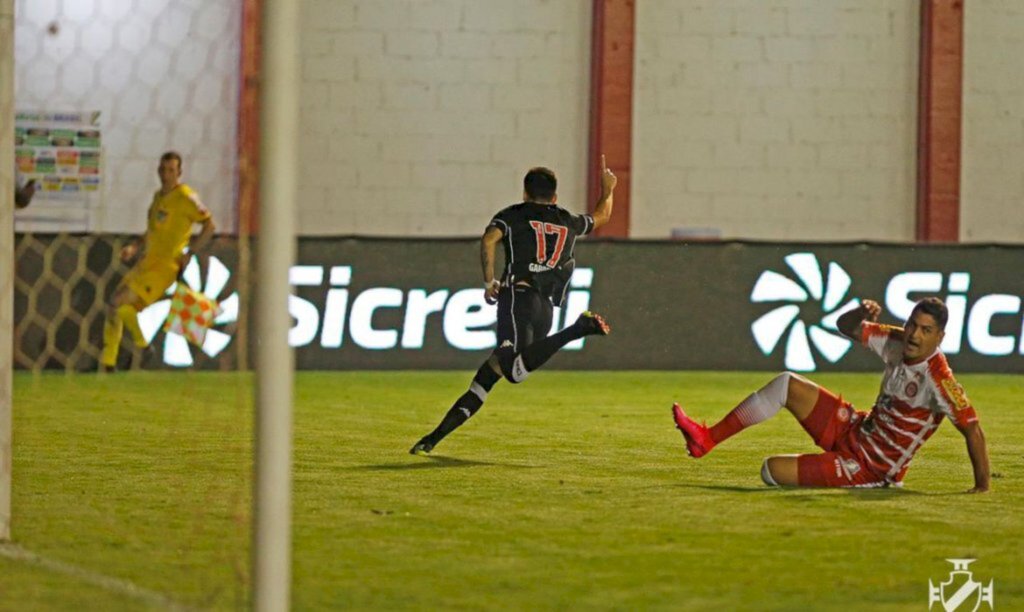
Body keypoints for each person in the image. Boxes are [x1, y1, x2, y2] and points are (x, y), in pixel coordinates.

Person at [409, 157, 619, 455]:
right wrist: (607, 189)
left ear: (525, 193)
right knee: (487, 375)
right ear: (554, 197)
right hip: (545, 309)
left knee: (514, 372)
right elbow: (601, 217)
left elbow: (488, 240)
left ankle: (577, 329)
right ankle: (432, 439)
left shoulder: (513, 215)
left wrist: (488, 281)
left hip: (517, 298)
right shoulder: (566, 219)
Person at [671, 297, 990, 492]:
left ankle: (840, 474)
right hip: (855, 429)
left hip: (871, 468)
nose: (915, 335)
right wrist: (859, 312)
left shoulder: (941, 382)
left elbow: (973, 430)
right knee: (786, 383)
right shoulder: (896, 340)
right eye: (913, 325)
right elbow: (845, 326)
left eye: (926, 330)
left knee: (770, 471)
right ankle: (706, 439)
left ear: (940, 337)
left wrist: (982, 487)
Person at [99, 151, 215, 371]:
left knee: (121, 301)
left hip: (165, 267)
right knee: (114, 305)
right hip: (146, 262)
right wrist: (134, 246)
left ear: (179, 173)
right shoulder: (157, 198)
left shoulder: (186, 197)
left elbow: (210, 226)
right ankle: (108, 363)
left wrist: (189, 253)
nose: (166, 174)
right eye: (163, 170)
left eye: (171, 170)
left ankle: (142, 347)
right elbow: (152, 231)